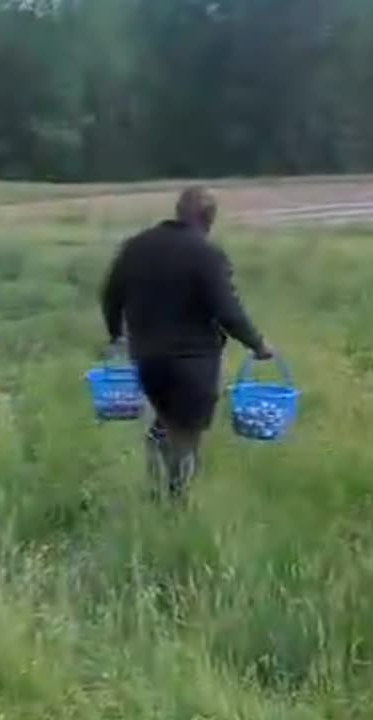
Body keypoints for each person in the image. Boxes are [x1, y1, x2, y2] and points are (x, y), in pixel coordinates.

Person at [100, 186, 272, 502]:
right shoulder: (206, 254)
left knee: (167, 418)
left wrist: (115, 334)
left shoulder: (136, 246)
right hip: (193, 362)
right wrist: (257, 345)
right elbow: (226, 309)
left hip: (147, 358)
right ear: (209, 218)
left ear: (178, 211)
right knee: (187, 434)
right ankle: (176, 499)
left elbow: (110, 295)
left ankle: (158, 476)